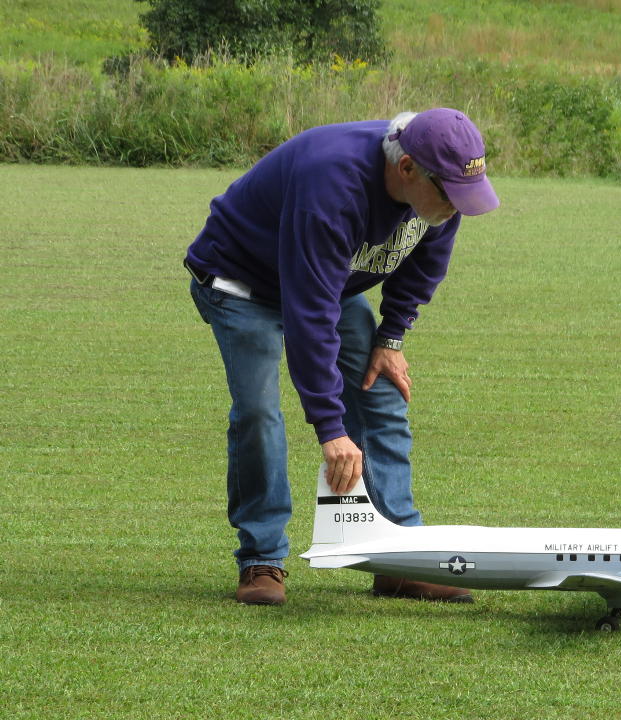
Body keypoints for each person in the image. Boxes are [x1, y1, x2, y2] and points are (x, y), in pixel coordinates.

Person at [184, 108, 499, 605]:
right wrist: (331, 429)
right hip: (241, 281)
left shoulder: (441, 197)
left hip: (327, 279)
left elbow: (424, 266)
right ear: (407, 169)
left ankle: (398, 558)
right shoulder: (331, 186)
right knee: (260, 412)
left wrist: (390, 339)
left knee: (383, 390)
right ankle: (261, 560)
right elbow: (310, 314)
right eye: (449, 195)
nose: (456, 209)